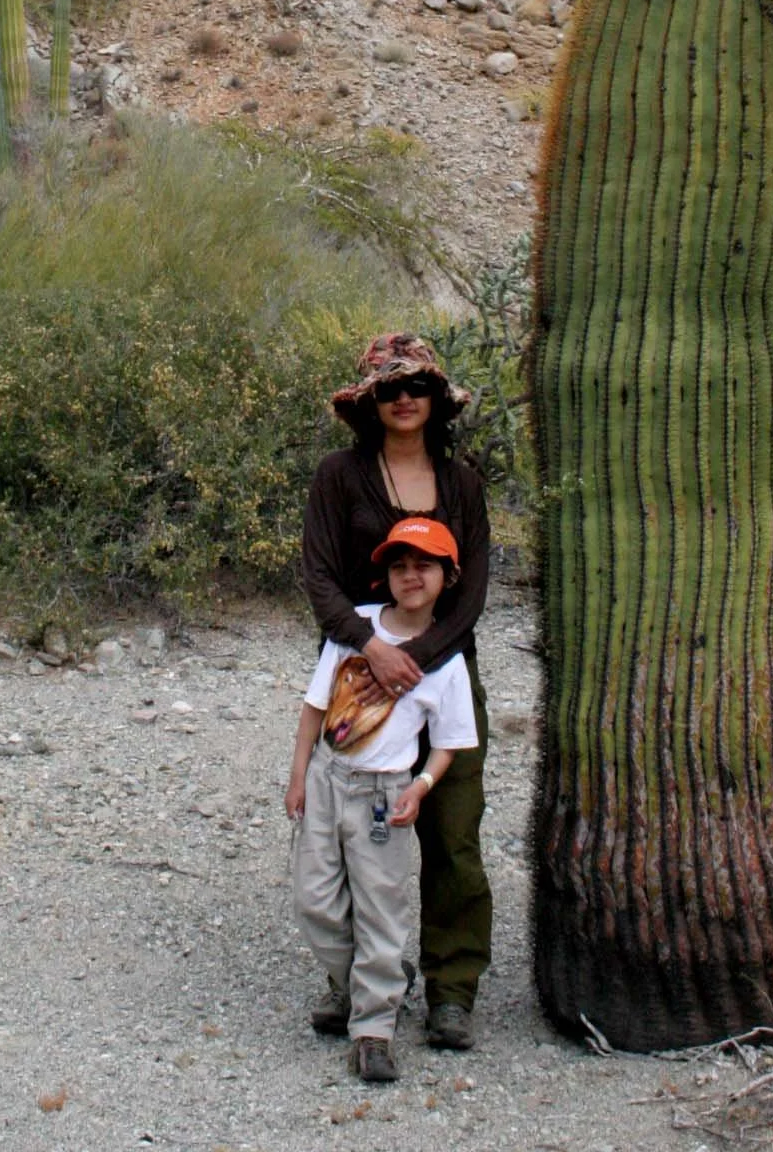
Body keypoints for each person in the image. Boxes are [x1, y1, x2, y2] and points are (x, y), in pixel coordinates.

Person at [300, 333, 492, 1051]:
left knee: (451, 833)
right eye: (389, 389)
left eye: (416, 389)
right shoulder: (339, 477)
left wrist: (417, 656)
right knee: (347, 832)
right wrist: (371, 646)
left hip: (442, 676)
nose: (403, 398)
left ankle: (451, 986)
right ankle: (353, 979)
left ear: (437, 402)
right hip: (355, 677)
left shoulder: (462, 482)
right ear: (371, 404)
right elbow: (319, 576)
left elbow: (471, 590)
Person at [285, 517, 478, 1083]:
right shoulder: (358, 628)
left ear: (448, 576)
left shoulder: (446, 658)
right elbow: (314, 708)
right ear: (385, 578)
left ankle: (373, 1029)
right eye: (399, 566)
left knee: (381, 907)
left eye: (424, 565)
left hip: (385, 793)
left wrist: (420, 788)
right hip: (328, 777)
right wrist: (298, 777)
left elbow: (446, 744)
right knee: (315, 899)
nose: (410, 575)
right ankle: (371, 979)